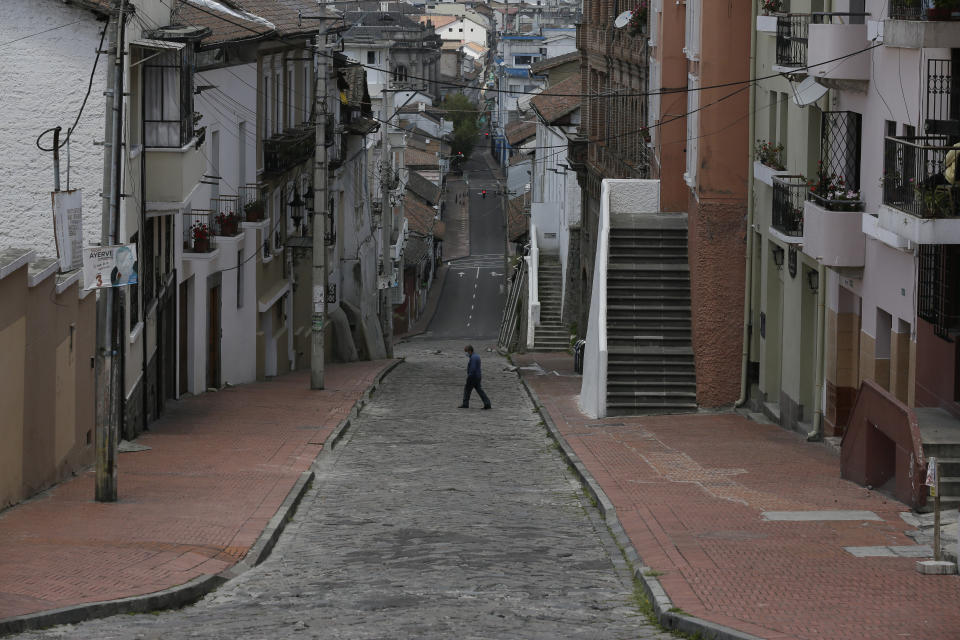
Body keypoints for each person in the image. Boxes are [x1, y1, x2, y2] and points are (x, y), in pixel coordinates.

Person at [459, 345, 491, 409]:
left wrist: (469, 376)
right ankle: (487, 403)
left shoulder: (473, 357)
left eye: (466, 352)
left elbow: (473, 368)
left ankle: (465, 404)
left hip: (473, 377)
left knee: (467, 390)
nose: (466, 353)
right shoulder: (476, 356)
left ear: (469, 351)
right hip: (478, 376)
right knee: (480, 390)